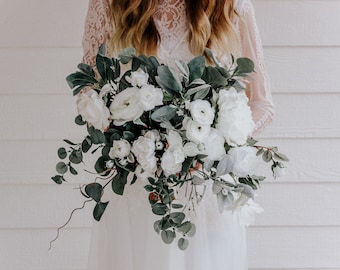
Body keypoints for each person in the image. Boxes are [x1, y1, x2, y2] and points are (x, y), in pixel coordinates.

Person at [82, 0, 274, 269]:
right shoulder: (110, 4)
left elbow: (261, 103)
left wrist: (216, 143)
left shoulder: (231, 6)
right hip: (139, 188)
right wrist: (135, 143)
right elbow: (90, 92)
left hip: (204, 192)